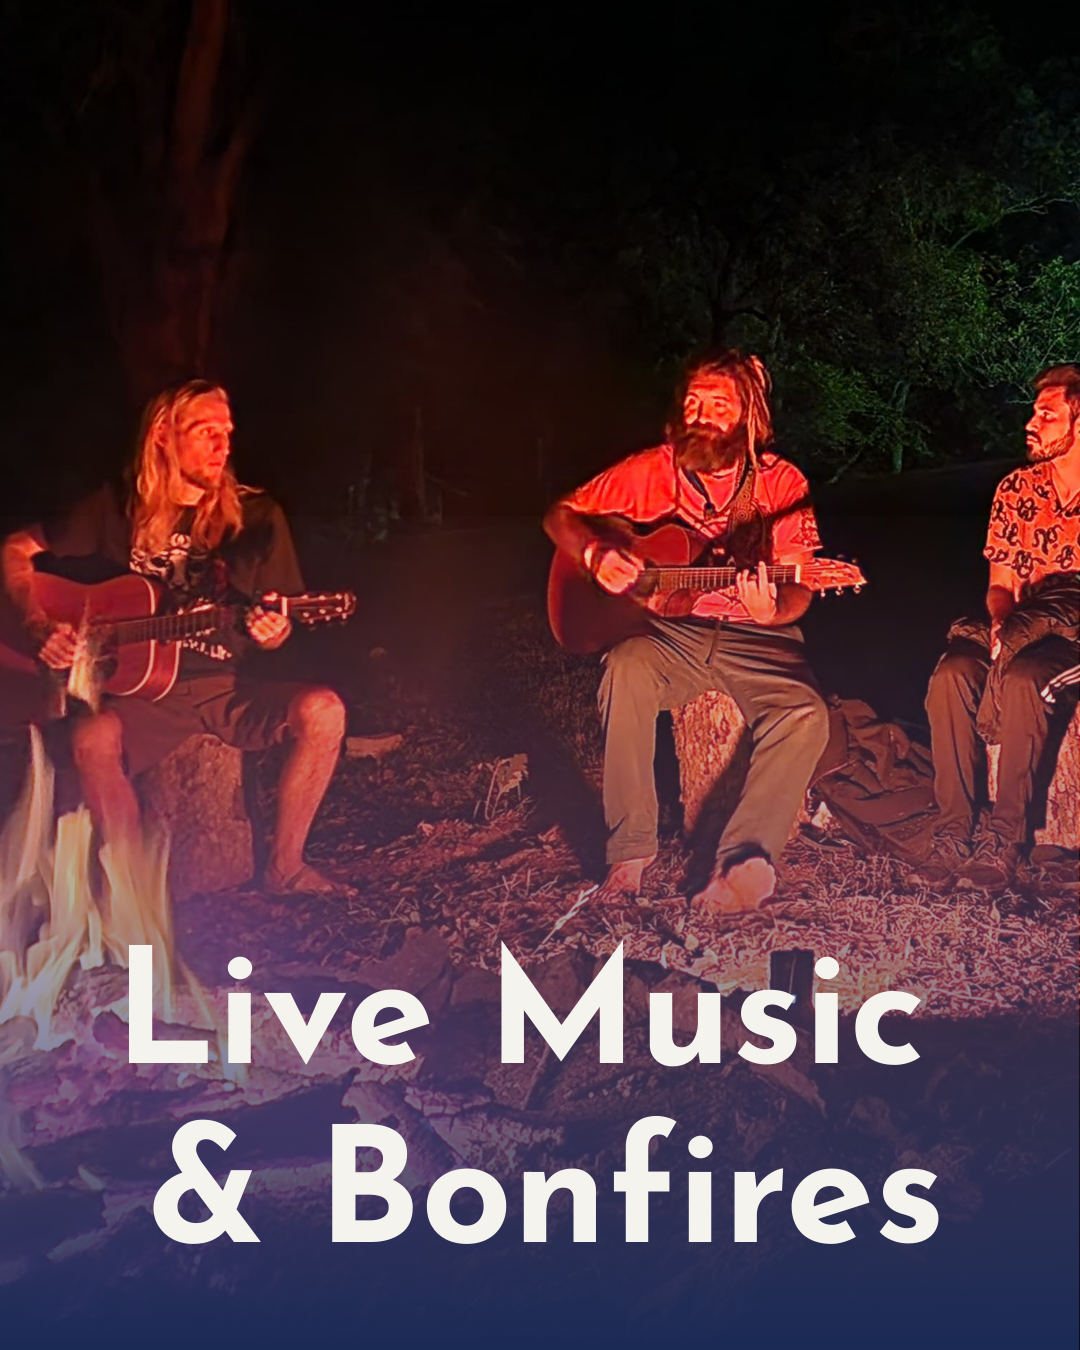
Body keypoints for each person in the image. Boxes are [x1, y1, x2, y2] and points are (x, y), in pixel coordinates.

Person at [1, 379, 350, 896]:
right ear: (163, 435)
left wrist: (273, 634)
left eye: (226, 432)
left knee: (325, 712)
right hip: (141, 694)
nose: (222, 445)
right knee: (90, 739)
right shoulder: (114, 507)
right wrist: (38, 625)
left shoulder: (256, 517)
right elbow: (14, 551)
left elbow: (275, 629)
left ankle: (285, 868)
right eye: (206, 431)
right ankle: (131, 894)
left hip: (226, 684)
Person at [543, 351, 829, 914]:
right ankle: (627, 858)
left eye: (718, 405)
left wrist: (771, 611)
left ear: (749, 417)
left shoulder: (781, 482)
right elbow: (560, 515)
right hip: (673, 633)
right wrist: (597, 552)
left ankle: (743, 861)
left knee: (806, 713)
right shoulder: (652, 469)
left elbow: (800, 586)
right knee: (626, 666)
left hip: (758, 636)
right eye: (693, 403)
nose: (700, 415)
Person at [916, 364, 1080, 888]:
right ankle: (953, 829)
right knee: (952, 675)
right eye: (1034, 411)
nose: (1032, 423)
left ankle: (1004, 839)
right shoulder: (1017, 488)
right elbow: (1000, 581)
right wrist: (1000, 620)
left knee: (1026, 678)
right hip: (1017, 630)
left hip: (1067, 642)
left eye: (1047, 415)